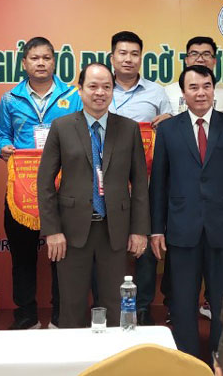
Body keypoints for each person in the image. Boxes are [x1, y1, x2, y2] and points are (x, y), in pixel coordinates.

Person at [149, 64, 223, 357]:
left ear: (214, 90)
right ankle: (187, 362)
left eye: (206, 86)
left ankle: (220, 361)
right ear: (183, 93)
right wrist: (156, 229)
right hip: (181, 229)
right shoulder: (168, 130)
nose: (200, 93)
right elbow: (158, 183)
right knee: (182, 303)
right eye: (193, 87)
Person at [38, 62, 148, 328]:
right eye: (93, 86)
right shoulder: (62, 127)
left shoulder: (129, 129)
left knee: (115, 306)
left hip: (115, 231)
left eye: (106, 87)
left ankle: (114, 356)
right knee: (71, 307)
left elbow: (140, 184)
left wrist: (139, 230)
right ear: (80, 89)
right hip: (71, 232)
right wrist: (52, 231)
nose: (100, 92)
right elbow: (44, 182)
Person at [0, 37, 80, 330]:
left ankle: (60, 315)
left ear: (54, 61)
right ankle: (26, 315)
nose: (41, 63)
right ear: (24, 63)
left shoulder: (73, 95)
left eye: (46, 58)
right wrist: (3, 147)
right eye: (34, 58)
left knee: (63, 255)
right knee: (22, 256)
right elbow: (2, 134)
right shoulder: (10, 99)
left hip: (63, 187)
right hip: (22, 187)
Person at [107, 30, 172, 323]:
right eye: (122, 53)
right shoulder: (100, 88)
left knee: (144, 248)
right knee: (108, 247)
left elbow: (170, 134)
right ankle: (110, 306)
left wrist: (169, 121)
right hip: (107, 183)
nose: (128, 59)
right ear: (112, 57)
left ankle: (143, 307)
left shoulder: (156, 93)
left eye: (134, 54)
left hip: (145, 183)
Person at [162, 36, 223, 115]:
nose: (200, 59)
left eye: (206, 54)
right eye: (194, 54)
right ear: (186, 60)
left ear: (214, 60)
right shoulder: (167, 92)